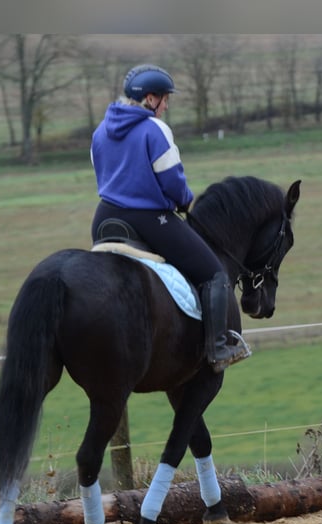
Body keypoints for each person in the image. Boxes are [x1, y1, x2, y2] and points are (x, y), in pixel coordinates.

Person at [90, 63, 249, 373]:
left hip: (104, 218)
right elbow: (172, 179)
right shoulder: (154, 129)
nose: (166, 106)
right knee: (214, 273)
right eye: (164, 99)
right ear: (150, 99)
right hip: (150, 219)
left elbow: (101, 171)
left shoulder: (100, 130)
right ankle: (218, 349)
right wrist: (185, 200)